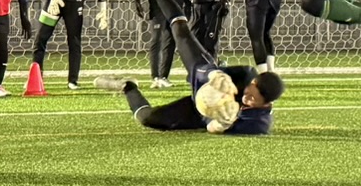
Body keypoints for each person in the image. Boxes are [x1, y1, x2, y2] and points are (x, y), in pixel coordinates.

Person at [122, 13, 285, 135]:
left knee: (146, 119)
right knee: (184, 37)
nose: (247, 97)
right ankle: (129, 86)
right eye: (249, 92)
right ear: (253, 82)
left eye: (253, 99)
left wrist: (221, 124)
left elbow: (212, 128)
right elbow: (205, 71)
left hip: (201, 116)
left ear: (266, 104)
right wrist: (214, 74)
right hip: (204, 92)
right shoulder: (245, 75)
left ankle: (128, 87)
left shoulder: (257, 124)